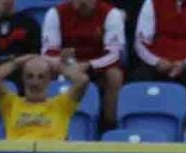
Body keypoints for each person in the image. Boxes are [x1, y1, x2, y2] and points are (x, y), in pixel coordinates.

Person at [131, 0, 186, 129]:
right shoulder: (152, 3)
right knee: (139, 77)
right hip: (159, 62)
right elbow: (140, 42)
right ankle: (140, 127)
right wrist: (156, 61)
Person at [40, 0, 125, 130]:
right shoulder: (55, 13)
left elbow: (114, 54)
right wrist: (62, 63)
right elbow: (47, 52)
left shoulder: (111, 14)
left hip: (96, 65)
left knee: (114, 76)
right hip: (65, 64)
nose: (82, 2)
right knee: (41, 69)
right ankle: (44, 119)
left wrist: (89, 65)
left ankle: (110, 126)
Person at [0, 51, 87, 140]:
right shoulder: (10, 104)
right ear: (23, 78)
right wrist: (16, 63)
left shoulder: (62, 105)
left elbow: (82, 81)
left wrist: (58, 66)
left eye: (41, 77)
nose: (35, 82)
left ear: (49, 80)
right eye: (29, 76)